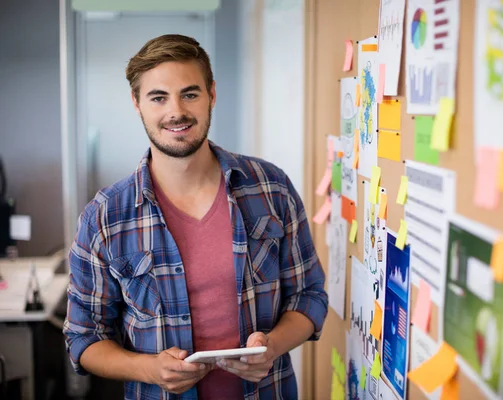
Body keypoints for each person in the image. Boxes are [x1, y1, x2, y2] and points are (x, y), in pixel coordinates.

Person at [63, 34, 328, 400]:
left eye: (190, 94)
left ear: (211, 95)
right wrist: (150, 369)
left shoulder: (271, 188)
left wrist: (273, 346)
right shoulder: (105, 217)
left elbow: (309, 295)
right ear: (137, 103)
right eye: (158, 97)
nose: (177, 111)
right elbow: (83, 336)